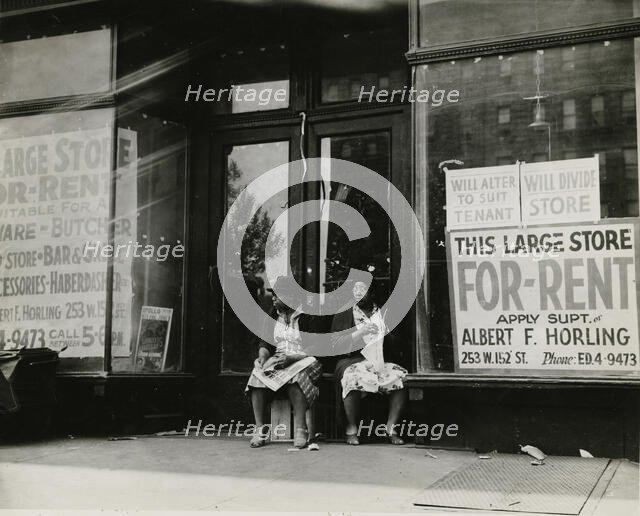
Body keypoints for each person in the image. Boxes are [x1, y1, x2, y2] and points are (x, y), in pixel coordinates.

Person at [245, 276, 322, 449]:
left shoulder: (307, 316)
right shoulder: (273, 316)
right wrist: (262, 357)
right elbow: (265, 343)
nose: (273, 298)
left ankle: (301, 429)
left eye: (278, 295)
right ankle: (260, 429)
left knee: (296, 378)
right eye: (273, 295)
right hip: (280, 359)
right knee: (257, 376)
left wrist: (293, 358)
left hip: (305, 359)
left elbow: (316, 347)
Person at [331, 281, 408, 445]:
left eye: (362, 289)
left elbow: (397, 344)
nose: (358, 293)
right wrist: (360, 333)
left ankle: (390, 427)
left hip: (378, 361)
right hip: (351, 360)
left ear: (371, 292)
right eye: (355, 289)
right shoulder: (344, 313)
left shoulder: (382, 312)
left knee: (401, 377)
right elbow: (335, 344)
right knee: (352, 378)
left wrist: (385, 333)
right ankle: (351, 428)